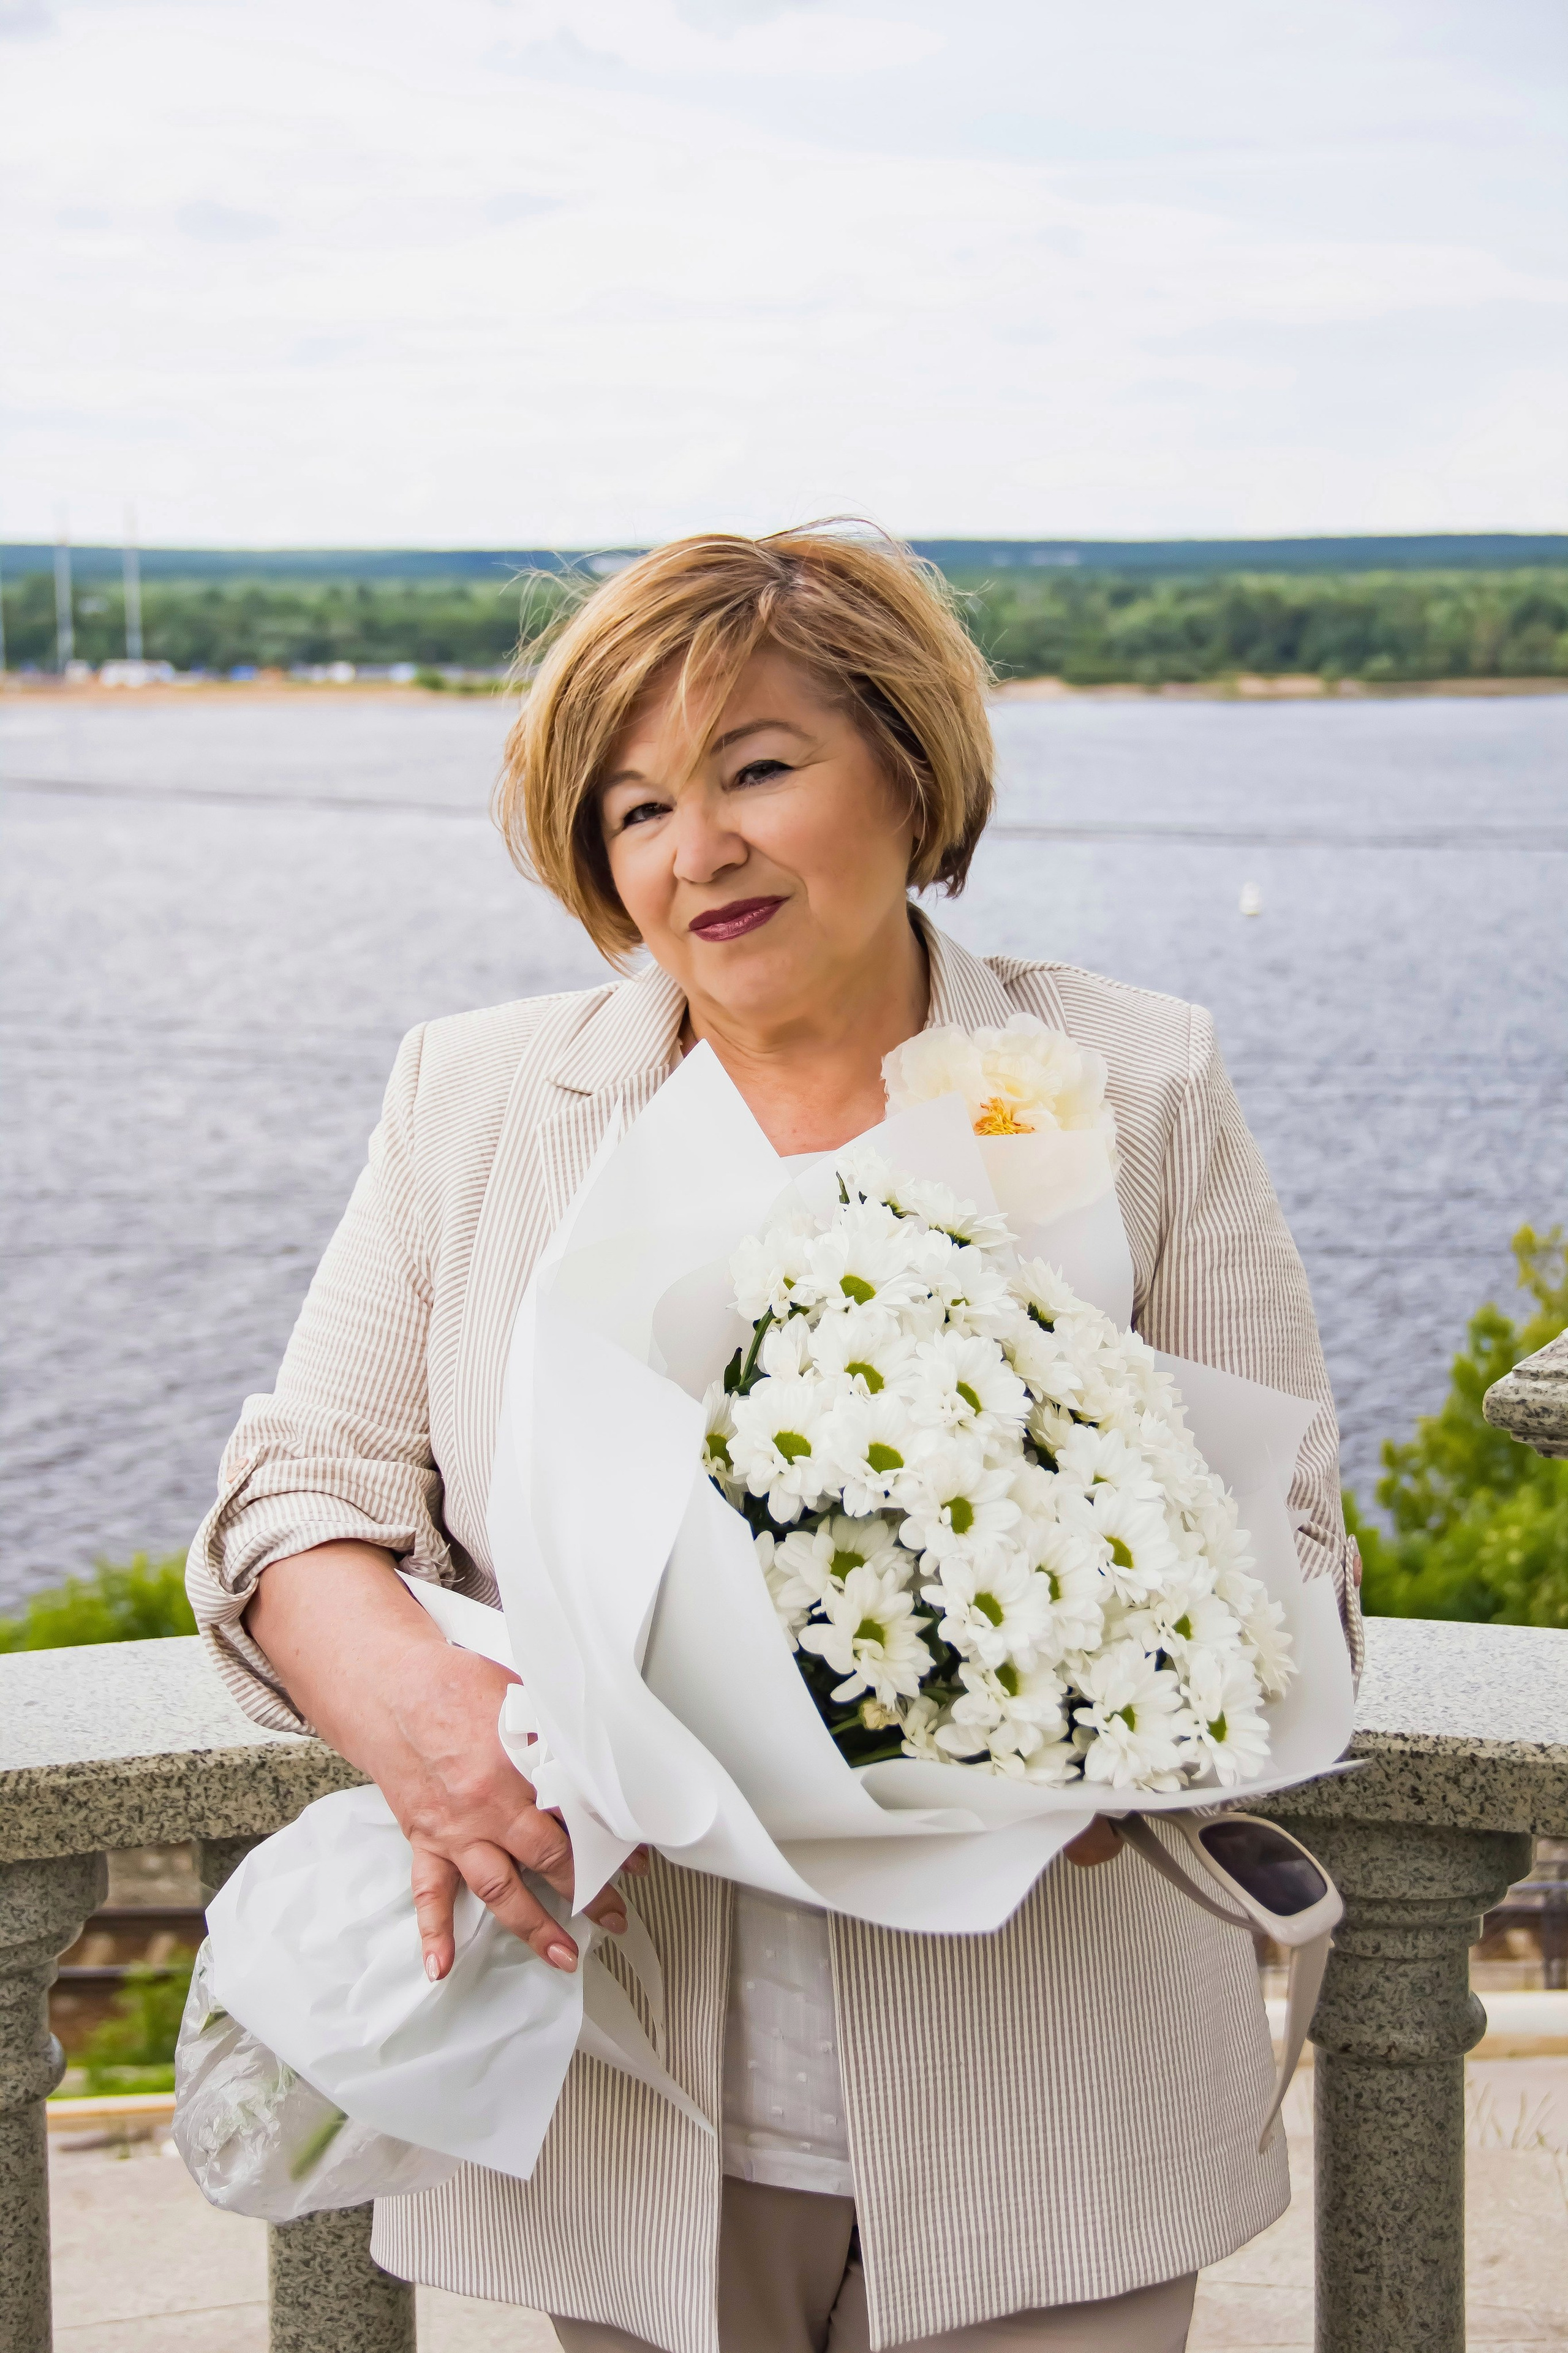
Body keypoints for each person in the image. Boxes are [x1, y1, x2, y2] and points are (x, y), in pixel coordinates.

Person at [189, 526, 1362, 2353]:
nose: (695, 850)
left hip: (1059, 2104)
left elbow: (1291, 1550)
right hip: (642, 2096)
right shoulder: (480, 1097)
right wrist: (410, 1707)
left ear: (909, 764)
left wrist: (1105, 1726)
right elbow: (300, 1491)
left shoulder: (1134, 1077)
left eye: (756, 768)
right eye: (637, 807)